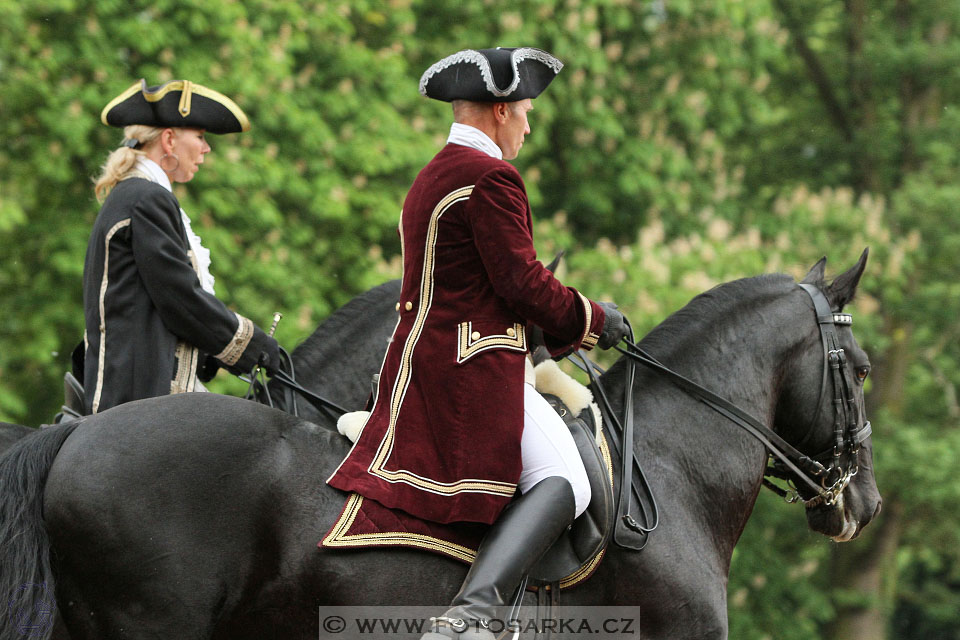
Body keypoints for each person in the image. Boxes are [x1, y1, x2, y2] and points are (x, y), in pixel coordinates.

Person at [326, 48, 628, 639]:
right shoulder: (491, 177)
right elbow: (521, 283)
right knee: (569, 476)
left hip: (421, 362)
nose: (528, 125)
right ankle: (475, 612)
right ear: (498, 110)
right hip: (468, 372)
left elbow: (477, 287)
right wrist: (593, 318)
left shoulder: (434, 174)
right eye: (525, 112)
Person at [82, 79, 280, 414]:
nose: (207, 149)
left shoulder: (138, 195)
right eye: (200, 137)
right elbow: (180, 298)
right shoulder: (146, 198)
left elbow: (156, 308)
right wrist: (252, 346)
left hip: (138, 394)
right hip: (138, 404)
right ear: (170, 139)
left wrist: (210, 354)